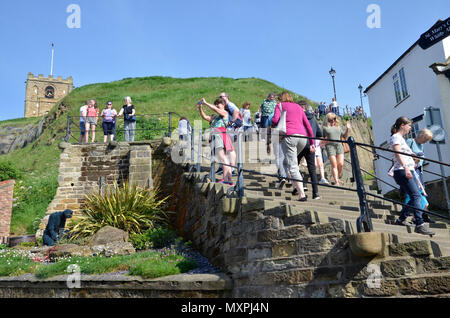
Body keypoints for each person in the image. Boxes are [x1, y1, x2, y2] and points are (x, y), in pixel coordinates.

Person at [390, 116, 435, 235]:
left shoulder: (402, 139)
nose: (410, 128)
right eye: (409, 125)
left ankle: (401, 219)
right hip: (402, 171)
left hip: (408, 170)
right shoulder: (395, 137)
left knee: (413, 197)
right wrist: (406, 168)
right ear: (402, 125)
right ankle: (419, 224)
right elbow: (397, 154)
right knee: (416, 196)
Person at [271, 92, 314, 201]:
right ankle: (295, 186)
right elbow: (308, 126)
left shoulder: (280, 106)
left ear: (281, 99)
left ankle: (302, 194)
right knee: (287, 162)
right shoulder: (299, 107)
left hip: (289, 137)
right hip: (303, 138)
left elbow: (275, 121)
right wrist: (312, 143)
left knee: (293, 166)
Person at [198, 97, 235, 185]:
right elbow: (205, 116)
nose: (217, 105)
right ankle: (228, 179)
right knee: (223, 158)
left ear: (223, 105)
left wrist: (206, 103)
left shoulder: (225, 113)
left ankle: (226, 178)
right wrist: (200, 108)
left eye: (218, 103)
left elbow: (215, 109)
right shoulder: (216, 117)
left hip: (220, 134)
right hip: (218, 135)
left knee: (223, 158)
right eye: (216, 104)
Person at [294, 103, 323, 200]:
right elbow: (319, 134)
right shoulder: (314, 120)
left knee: (294, 166)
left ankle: (297, 187)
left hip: (300, 144)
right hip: (311, 145)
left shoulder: (299, 118)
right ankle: (316, 193)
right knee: (312, 170)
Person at [321, 112, 351, 186]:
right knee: (334, 165)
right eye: (331, 120)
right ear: (328, 120)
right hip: (330, 147)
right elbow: (322, 138)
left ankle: (337, 177)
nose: (333, 121)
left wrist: (348, 129)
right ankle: (336, 181)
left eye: (334, 119)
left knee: (340, 164)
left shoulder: (338, 127)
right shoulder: (325, 128)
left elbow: (344, 136)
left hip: (339, 146)